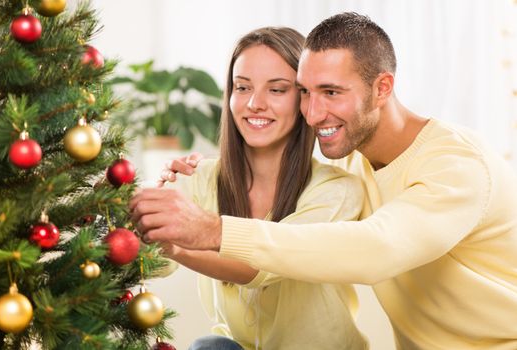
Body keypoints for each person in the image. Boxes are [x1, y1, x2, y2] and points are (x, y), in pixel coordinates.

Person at [131, 13, 517, 349]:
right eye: (305, 93)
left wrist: (210, 229)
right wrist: (166, 191)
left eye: (331, 92)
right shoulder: (354, 160)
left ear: (382, 88)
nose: (313, 114)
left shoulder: (457, 165)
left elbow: (378, 248)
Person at [133, 27, 368, 350]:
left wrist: (179, 242)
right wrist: (141, 201)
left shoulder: (336, 190)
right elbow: (156, 263)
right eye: (242, 87)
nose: (255, 103)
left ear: (303, 99)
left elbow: (261, 267)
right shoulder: (200, 177)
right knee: (211, 347)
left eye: (277, 90)